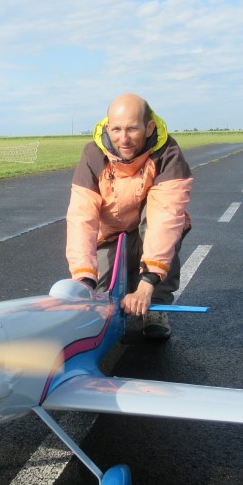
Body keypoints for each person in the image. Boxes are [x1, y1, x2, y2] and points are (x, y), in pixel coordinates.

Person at [65, 93, 193, 340]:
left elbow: (164, 218)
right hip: (110, 234)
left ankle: (156, 305)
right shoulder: (92, 155)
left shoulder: (168, 153)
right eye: (116, 129)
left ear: (149, 128)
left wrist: (147, 284)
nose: (123, 139)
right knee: (100, 297)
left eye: (132, 129)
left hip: (149, 230)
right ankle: (117, 284)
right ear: (107, 127)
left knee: (169, 224)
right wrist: (83, 280)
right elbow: (81, 218)